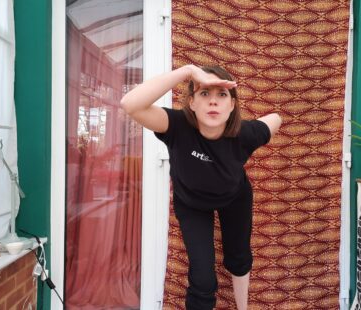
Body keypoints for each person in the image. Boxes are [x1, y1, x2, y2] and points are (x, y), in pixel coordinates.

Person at [120, 64, 282, 309]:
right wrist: (187, 72)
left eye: (222, 95)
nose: (213, 102)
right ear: (192, 103)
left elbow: (275, 118)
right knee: (203, 279)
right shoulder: (176, 126)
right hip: (191, 204)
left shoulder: (246, 133)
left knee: (238, 257)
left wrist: (256, 124)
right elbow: (130, 104)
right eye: (204, 93)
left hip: (234, 198)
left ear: (232, 105)